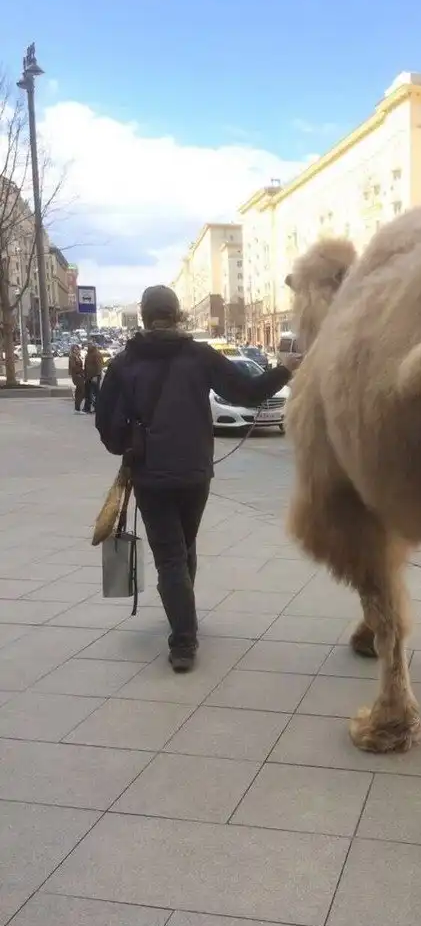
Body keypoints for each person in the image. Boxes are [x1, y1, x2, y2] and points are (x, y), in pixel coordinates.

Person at [94, 285, 302, 672]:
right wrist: (285, 369)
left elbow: (106, 424)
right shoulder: (199, 356)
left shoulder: (124, 364)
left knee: (171, 556)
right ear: (177, 315)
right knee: (183, 547)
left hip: (150, 475)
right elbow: (248, 392)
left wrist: (128, 446)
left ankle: (184, 640)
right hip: (195, 474)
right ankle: (183, 619)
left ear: (144, 317)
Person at [83, 343, 104, 413]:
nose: (88, 347)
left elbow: (99, 366)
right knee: (88, 393)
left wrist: (97, 376)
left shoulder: (96, 354)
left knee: (95, 393)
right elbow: (86, 365)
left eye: (89, 346)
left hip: (94, 376)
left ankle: (97, 408)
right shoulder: (89, 354)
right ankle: (87, 408)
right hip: (88, 377)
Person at [68, 345, 85, 413]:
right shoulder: (72, 357)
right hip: (77, 376)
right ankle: (77, 408)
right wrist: (80, 372)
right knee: (81, 391)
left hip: (79, 375)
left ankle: (77, 408)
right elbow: (73, 367)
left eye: (77, 349)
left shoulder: (77, 357)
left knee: (79, 391)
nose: (76, 351)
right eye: (75, 349)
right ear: (72, 350)